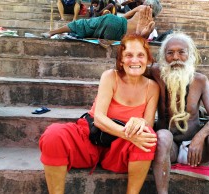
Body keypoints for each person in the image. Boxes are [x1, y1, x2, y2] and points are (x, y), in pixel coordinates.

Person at [39, 34, 160, 194]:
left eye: (140, 55)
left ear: (147, 59)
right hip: (90, 137)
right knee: (53, 135)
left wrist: (139, 123)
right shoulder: (110, 76)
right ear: (121, 60)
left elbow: (148, 122)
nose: (135, 60)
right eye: (129, 55)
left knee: (148, 136)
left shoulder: (152, 87)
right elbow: (99, 118)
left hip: (120, 150)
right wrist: (128, 135)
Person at [149, 32, 209, 194]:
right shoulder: (156, 73)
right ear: (163, 56)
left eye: (181, 52)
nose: (176, 57)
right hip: (168, 148)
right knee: (163, 136)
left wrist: (199, 138)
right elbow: (128, 66)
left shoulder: (200, 80)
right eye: (170, 53)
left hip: (197, 149)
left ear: (190, 54)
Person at [41, 0, 162, 40]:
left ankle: (52, 33)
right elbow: (143, 38)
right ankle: (73, 35)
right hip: (120, 36)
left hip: (117, 22)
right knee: (93, 33)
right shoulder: (152, 24)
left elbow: (124, 17)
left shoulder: (141, 8)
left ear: (148, 6)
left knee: (82, 23)